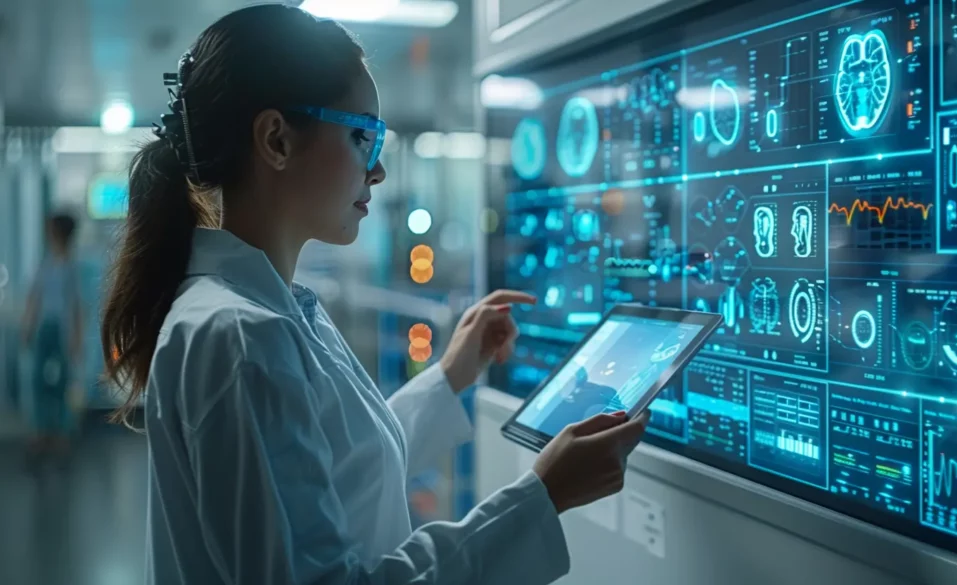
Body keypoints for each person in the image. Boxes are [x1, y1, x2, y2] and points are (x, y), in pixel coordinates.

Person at [99, 6, 650, 585]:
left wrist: (451, 376)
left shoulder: (268, 313)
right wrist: (542, 496)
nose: (379, 168)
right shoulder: (241, 336)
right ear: (276, 139)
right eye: (364, 135)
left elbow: (341, 473)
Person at [21, 212, 83, 464]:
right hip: (46, 328)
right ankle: (42, 431)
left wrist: (76, 337)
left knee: (61, 382)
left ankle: (60, 433)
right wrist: (28, 326)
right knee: (38, 381)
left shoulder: (71, 267)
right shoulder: (46, 264)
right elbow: (35, 298)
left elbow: (77, 305)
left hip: (61, 328)